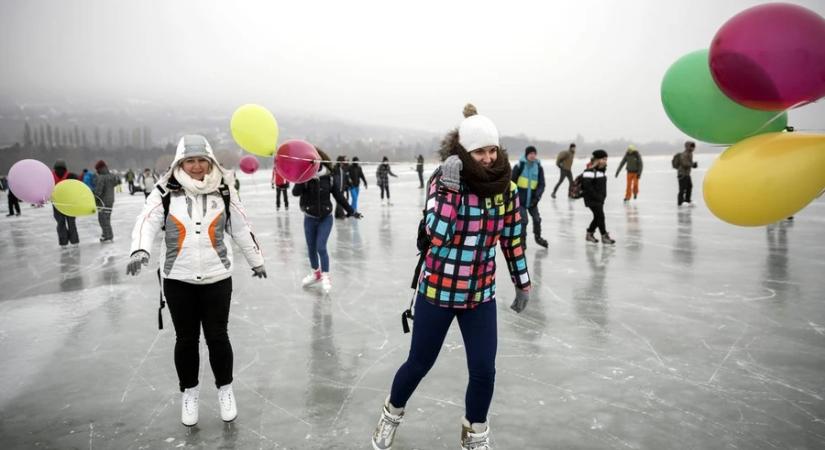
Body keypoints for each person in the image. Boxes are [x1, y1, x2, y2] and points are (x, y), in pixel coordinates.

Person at [371, 115, 531, 450]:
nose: (488, 158)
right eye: (478, 152)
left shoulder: (508, 189)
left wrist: (522, 282)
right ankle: (391, 414)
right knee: (419, 364)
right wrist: (449, 188)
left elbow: (512, 240)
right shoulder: (443, 180)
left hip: (480, 296)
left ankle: (475, 433)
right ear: (463, 152)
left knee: (485, 370)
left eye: (492, 150)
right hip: (438, 292)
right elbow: (437, 236)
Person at [126, 135, 266, 428]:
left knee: (218, 337)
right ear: (180, 162)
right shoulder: (165, 191)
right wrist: (140, 248)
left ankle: (225, 390)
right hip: (179, 278)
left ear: (210, 161)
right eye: (190, 160)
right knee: (186, 340)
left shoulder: (224, 189)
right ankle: (189, 393)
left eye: (202, 160)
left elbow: (240, 226)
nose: (197, 166)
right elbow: (147, 219)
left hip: (217, 277)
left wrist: (256, 261)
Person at [293, 148, 362, 293]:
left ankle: (325, 275)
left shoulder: (328, 178)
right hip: (309, 219)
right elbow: (295, 193)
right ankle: (316, 274)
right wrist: (302, 177)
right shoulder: (305, 177)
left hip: (325, 218)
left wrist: (352, 211)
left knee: (321, 247)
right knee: (311, 249)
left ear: (318, 160)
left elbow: (339, 197)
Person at [511, 146, 548, 248]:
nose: (532, 155)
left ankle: (538, 238)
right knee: (523, 221)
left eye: (534, 154)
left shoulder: (539, 168)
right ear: (526, 154)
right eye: (530, 153)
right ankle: (522, 242)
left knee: (537, 219)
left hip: (532, 201)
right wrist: (512, 197)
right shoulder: (519, 166)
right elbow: (511, 182)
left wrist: (537, 197)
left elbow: (542, 184)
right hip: (520, 200)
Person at [582, 150, 615, 244]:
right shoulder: (589, 171)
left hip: (599, 199)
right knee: (600, 216)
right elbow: (587, 187)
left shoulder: (601, 170)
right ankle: (604, 236)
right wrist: (597, 197)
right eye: (604, 159)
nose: (605, 161)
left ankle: (589, 234)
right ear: (598, 160)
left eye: (606, 159)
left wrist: (602, 197)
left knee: (597, 217)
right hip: (592, 199)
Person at [52, 160, 80, 248]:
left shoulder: (51, 177)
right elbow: (78, 187)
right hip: (68, 203)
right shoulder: (71, 176)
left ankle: (64, 242)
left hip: (59, 203)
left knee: (61, 223)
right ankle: (74, 241)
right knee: (70, 222)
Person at [93, 160, 118, 243]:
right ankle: (106, 234)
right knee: (107, 218)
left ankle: (108, 236)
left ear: (99, 169)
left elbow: (98, 192)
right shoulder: (111, 176)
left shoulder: (101, 177)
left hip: (102, 201)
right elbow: (116, 182)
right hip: (110, 200)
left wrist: (93, 194)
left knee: (103, 219)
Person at [677, 141, 698, 206]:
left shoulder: (690, 154)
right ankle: (680, 202)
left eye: (693, 147)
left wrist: (693, 165)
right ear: (688, 147)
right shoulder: (685, 154)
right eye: (692, 146)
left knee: (689, 186)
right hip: (682, 174)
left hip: (687, 174)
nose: (693, 148)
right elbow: (684, 163)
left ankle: (687, 200)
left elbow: (688, 163)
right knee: (682, 189)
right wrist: (692, 164)